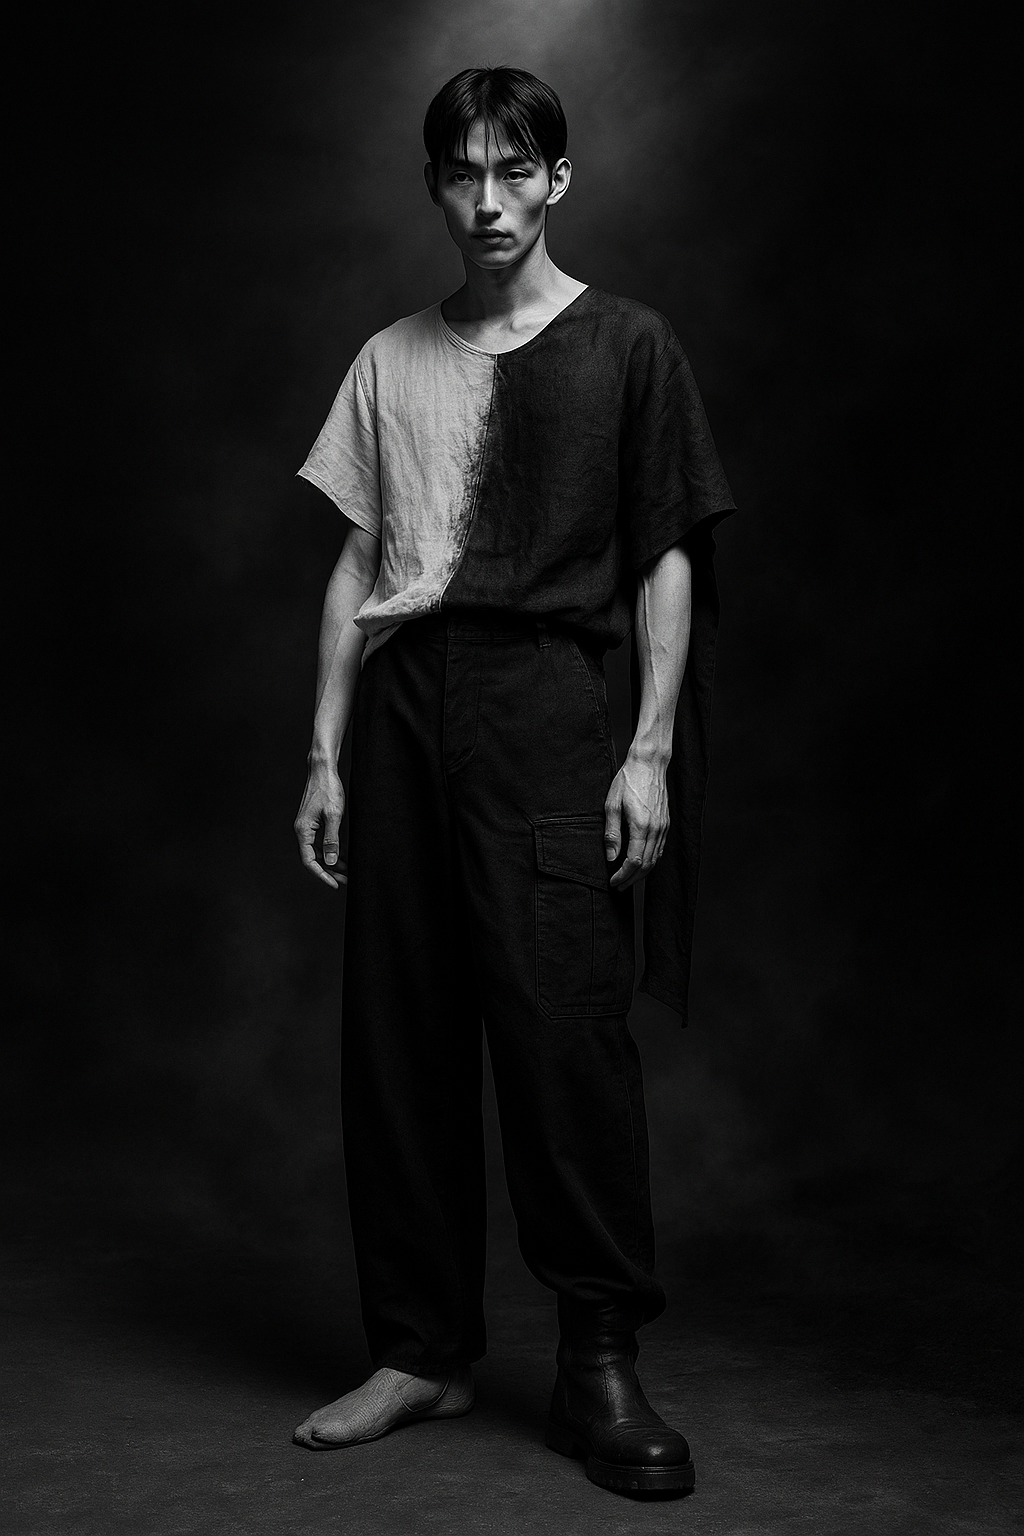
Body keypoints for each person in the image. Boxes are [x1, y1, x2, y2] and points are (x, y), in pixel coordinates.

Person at [290, 66, 735, 1497]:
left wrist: (647, 748)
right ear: (433, 186)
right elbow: (359, 559)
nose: (488, 199)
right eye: (462, 172)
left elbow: (668, 551)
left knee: (563, 1036)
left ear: (558, 179)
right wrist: (325, 754)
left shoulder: (628, 346)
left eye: (515, 170)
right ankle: (420, 1350)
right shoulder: (389, 357)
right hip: (404, 710)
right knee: (401, 1035)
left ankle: (599, 1359)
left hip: (549, 704)